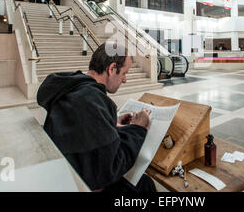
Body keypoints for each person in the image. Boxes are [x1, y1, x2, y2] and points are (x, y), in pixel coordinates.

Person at [37, 42, 157, 193]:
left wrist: (110, 121)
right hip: (81, 183)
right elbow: (111, 168)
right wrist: (138, 128)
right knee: (145, 186)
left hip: (64, 171)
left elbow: (81, 128)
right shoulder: (92, 100)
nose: (125, 79)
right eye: (124, 73)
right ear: (112, 68)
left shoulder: (73, 87)